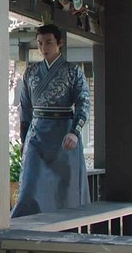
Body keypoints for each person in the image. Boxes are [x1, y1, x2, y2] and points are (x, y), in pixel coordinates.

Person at [11, 24, 90, 218]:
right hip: (37, 134)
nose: (43, 48)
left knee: (66, 189)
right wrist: (24, 140)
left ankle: (67, 226)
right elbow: (25, 109)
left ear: (59, 43)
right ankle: (25, 225)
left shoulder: (73, 71)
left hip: (64, 134)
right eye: (40, 43)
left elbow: (83, 103)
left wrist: (75, 132)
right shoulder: (31, 72)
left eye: (48, 42)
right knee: (29, 185)